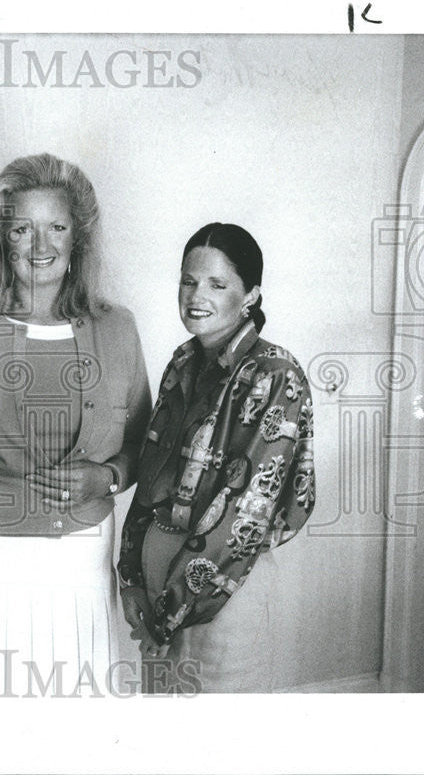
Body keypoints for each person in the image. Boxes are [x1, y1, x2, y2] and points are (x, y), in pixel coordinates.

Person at [0, 153, 152, 696]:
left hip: (79, 551)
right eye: (22, 229)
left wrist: (107, 478)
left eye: (56, 227)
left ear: (79, 237)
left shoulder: (118, 328)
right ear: (1, 239)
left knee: (73, 709)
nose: (41, 245)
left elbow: (147, 442)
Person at [117, 223, 316, 693]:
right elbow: (150, 477)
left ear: (251, 295)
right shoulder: (182, 363)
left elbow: (243, 516)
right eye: (188, 280)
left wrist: (168, 614)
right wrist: (130, 578)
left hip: (221, 595)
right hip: (158, 589)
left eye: (217, 284)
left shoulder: (275, 376)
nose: (196, 295)